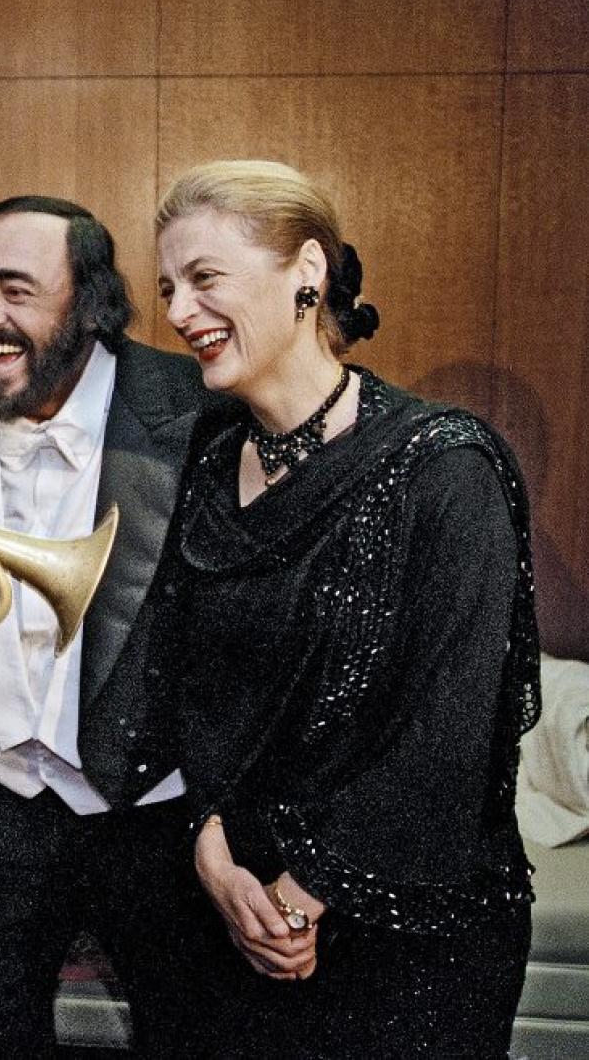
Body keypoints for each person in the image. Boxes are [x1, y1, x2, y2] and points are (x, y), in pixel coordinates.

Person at [151, 159, 538, 1057]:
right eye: (168, 286)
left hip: (406, 946)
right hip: (235, 914)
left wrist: (295, 900)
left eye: (205, 278)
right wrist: (213, 854)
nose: (176, 312)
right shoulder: (213, 459)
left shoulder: (448, 466)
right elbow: (179, 684)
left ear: (308, 273)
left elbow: (446, 735)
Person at [0, 196, 211, 1057]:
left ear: (92, 304)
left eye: (17, 290)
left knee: (186, 1031)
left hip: (154, 808)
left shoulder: (201, 414)